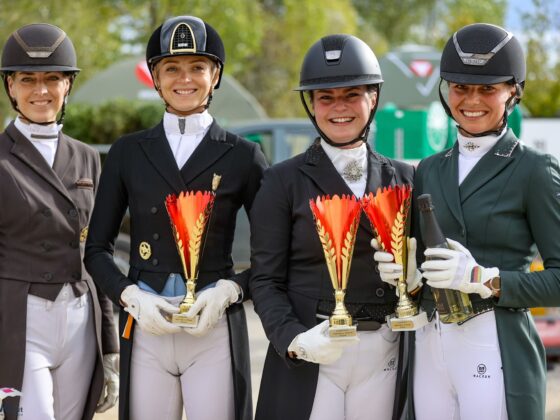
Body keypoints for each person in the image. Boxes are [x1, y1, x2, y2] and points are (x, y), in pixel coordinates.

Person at [84, 15, 268, 420]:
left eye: (197, 68)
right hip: (147, 323)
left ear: (215, 74)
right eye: (172, 68)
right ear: (155, 76)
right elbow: (96, 249)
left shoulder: (243, 155)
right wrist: (128, 295)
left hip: (212, 324)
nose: (184, 79)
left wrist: (231, 290)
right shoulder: (128, 153)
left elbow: (273, 251)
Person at [375, 23, 560, 420]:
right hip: (430, 343)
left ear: (513, 91)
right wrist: (404, 273)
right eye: (460, 87)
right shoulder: (428, 169)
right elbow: (421, 258)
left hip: (494, 339)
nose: (471, 100)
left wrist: (485, 278)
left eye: (487, 89)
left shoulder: (535, 170)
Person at [249, 34, 415, 420]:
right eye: (326, 97)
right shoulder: (281, 181)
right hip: (315, 348)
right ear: (311, 105)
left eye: (351, 94)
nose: (339, 107)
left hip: (384, 350)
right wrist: (293, 339)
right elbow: (265, 280)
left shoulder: (404, 178)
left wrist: (416, 277)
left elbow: (418, 266)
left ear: (373, 99)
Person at [0, 23, 119, 420]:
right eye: (27, 80)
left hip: (80, 316)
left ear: (68, 85)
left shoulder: (87, 157)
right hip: (21, 315)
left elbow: (95, 251)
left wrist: (111, 345)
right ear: (10, 87)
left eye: (52, 78)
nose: (41, 91)